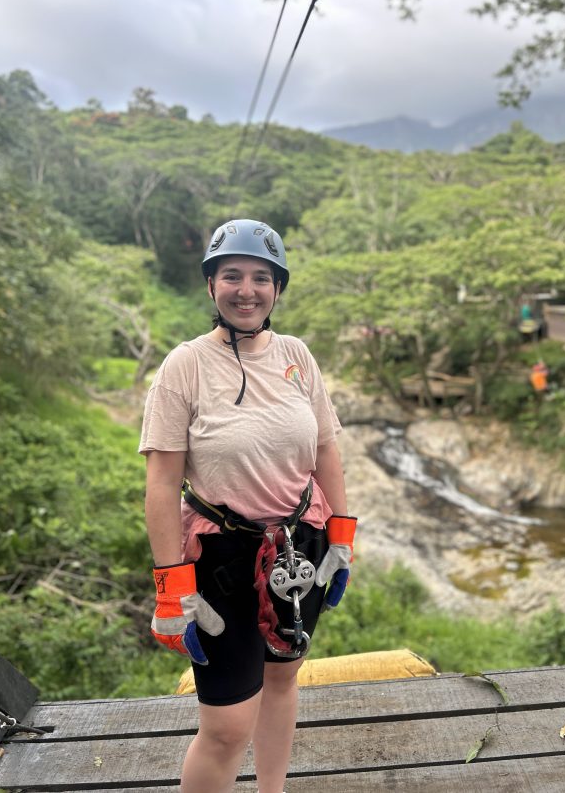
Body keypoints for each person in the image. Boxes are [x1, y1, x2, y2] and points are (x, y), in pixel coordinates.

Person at [139, 218, 355, 793]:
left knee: (284, 680)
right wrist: (170, 586)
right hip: (221, 556)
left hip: (298, 547)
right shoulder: (184, 366)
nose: (246, 289)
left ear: (277, 289)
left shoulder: (296, 356)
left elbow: (326, 449)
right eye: (231, 275)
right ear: (211, 286)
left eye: (262, 277)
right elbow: (162, 483)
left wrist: (342, 537)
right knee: (228, 726)